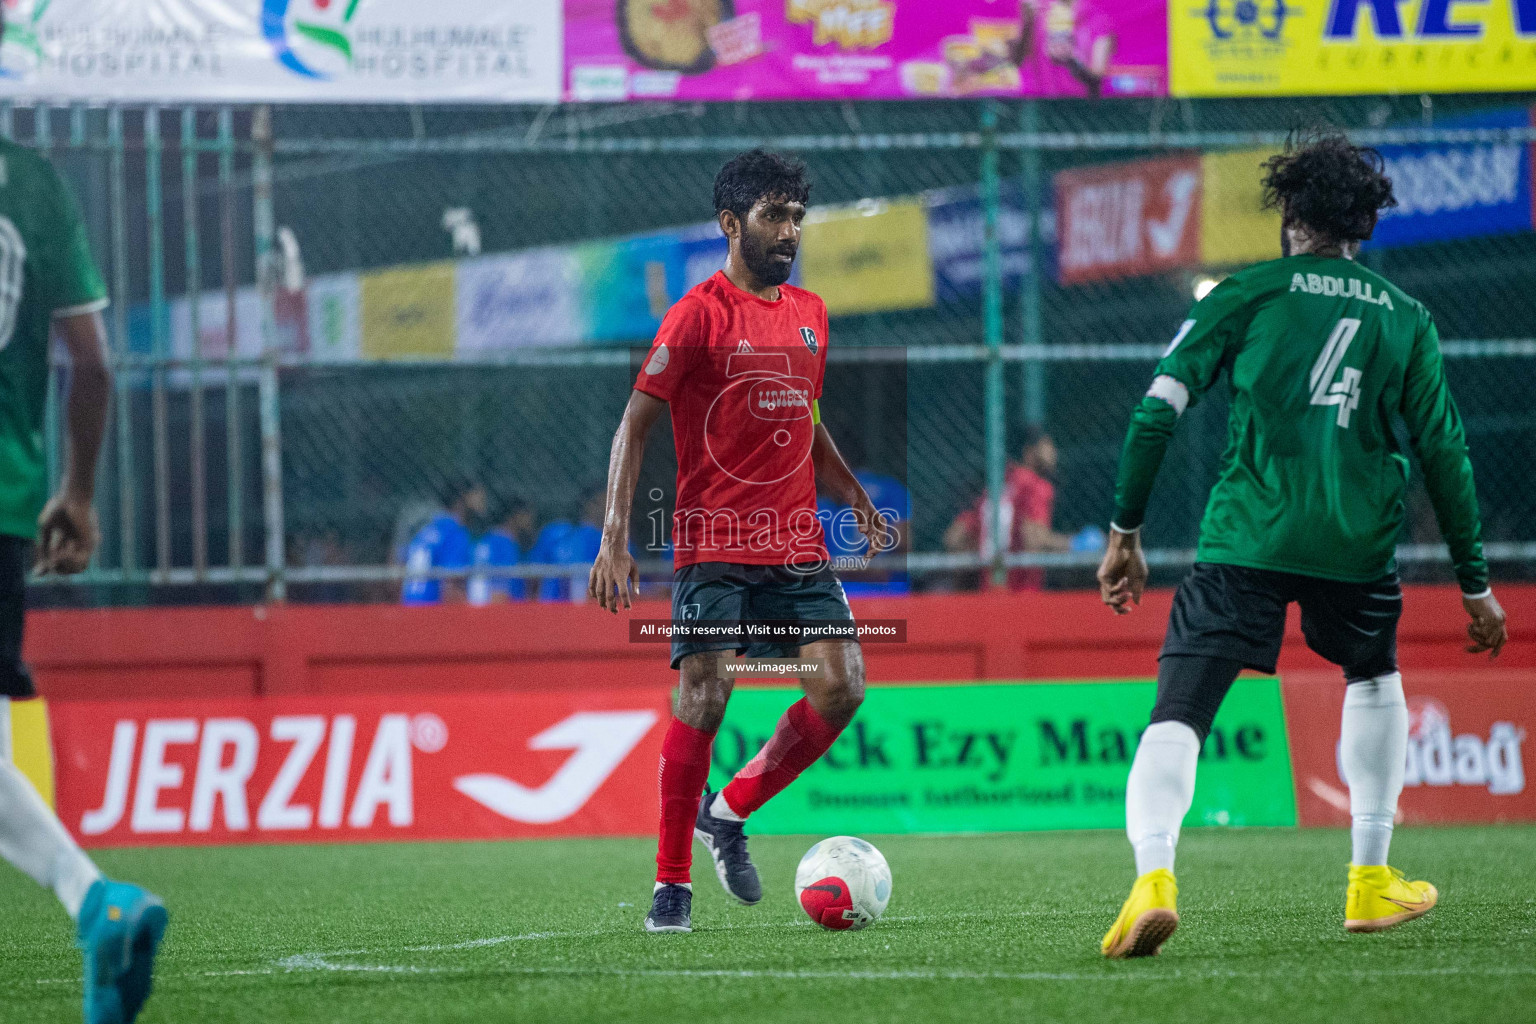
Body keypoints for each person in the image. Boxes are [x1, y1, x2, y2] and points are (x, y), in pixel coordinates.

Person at [1094, 132, 1509, 959]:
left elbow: (1155, 413)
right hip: (1355, 543)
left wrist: (1125, 532)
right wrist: (1474, 582)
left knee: (1179, 711)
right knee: (1373, 676)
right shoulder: (1408, 319)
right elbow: (1445, 454)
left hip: (1246, 533)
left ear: (1289, 214)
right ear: (1365, 223)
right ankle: (1369, 878)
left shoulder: (1244, 293)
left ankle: (1153, 879)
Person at [587, 149, 888, 934]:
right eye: (773, 216)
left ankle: (726, 813)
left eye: (796, 217)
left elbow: (807, 419)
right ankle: (671, 886)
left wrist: (850, 490)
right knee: (706, 691)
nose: (789, 231)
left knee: (842, 685)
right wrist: (614, 537)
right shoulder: (696, 314)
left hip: (796, 545)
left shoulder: (812, 313)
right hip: (715, 542)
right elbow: (635, 422)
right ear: (731, 223)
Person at [0, 112, 168, 1020]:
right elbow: (93, 367)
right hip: (8, 499)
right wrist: (79, 493)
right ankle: (91, 904)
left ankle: (91, 895)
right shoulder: (33, 181)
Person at [944, 427, 1084, 590]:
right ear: (1029, 452)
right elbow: (1034, 540)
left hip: (988, 590)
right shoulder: (1035, 485)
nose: (1053, 454)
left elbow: (953, 537)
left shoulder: (995, 484)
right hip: (1021, 592)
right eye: (1048, 446)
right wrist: (1076, 544)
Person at [399, 479, 484, 605]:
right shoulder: (455, 532)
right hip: (433, 611)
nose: (482, 501)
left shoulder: (427, 529)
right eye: (477, 495)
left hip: (410, 607)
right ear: (462, 498)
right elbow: (450, 589)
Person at [468, 498, 533, 605]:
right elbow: (499, 592)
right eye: (527, 516)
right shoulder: (504, 544)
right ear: (516, 516)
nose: (530, 522)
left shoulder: (488, 538)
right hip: (496, 611)